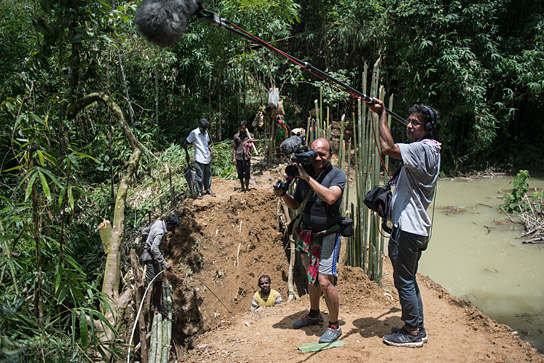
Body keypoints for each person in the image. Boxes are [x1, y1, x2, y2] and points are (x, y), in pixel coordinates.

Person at [366, 99, 441, 348]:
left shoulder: (422, 150)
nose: (409, 126)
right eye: (409, 121)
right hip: (416, 227)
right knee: (408, 278)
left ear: (427, 127)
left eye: (415, 123)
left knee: (404, 280)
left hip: (409, 228)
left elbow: (387, 146)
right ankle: (415, 325)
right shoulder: (430, 149)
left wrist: (382, 115)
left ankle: (412, 332)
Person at [273, 137, 346, 344]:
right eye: (315, 153)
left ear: (331, 154)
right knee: (312, 277)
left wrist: (306, 178)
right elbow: (295, 205)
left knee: (324, 280)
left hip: (328, 234)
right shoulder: (304, 173)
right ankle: (314, 314)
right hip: (307, 234)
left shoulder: (336, 175)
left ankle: (334, 326)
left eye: (323, 154)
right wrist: (283, 194)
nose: (318, 158)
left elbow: (331, 198)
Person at [140, 214, 181, 314]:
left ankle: (155, 304)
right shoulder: (160, 232)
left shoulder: (158, 223)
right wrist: (164, 263)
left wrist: (147, 239)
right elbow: (154, 249)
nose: (173, 230)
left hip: (152, 256)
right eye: (172, 227)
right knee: (157, 281)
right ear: (167, 224)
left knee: (159, 280)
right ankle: (155, 306)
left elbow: (144, 231)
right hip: (150, 258)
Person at [184, 118, 215, 200]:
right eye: (204, 127)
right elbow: (185, 142)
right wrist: (187, 154)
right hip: (199, 157)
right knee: (200, 176)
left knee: (208, 174)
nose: (205, 129)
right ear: (200, 126)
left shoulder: (206, 133)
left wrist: (210, 149)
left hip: (206, 157)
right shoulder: (194, 133)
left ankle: (208, 189)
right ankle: (200, 192)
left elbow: (206, 143)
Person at [233, 121, 255, 192]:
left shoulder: (250, 135)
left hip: (246, 157)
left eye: (244, 128)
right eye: (241, 128)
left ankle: (247, 188)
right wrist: (234, 158)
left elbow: (256, 144)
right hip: (238, 157)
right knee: (240, 173)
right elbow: (234, 148)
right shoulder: (236, 136)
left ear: (246, 128)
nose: (242, 129)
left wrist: (251, 141)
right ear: (239, 128)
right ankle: (242, 187)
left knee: (247, 173)